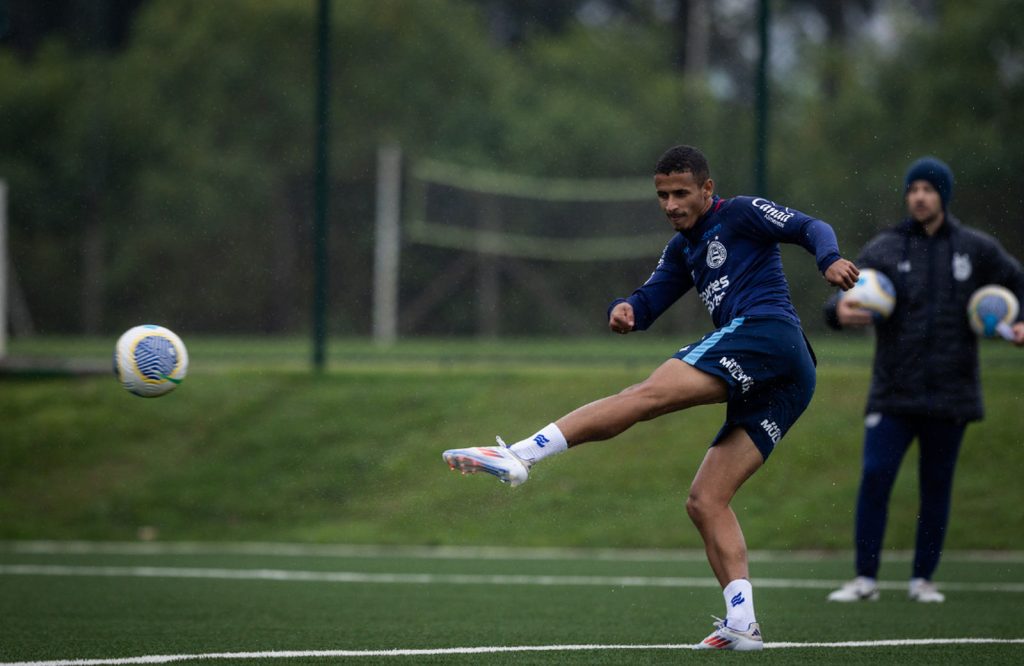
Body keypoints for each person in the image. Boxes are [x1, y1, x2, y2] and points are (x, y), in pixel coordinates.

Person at [442, 145, 859, 651]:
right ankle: (744, 624)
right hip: (791, 380)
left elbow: (809, 227)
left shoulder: (742, 212)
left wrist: (830, 258)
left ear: (708, 189)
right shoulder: (683, 250)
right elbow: (649, 299)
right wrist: (626, 309)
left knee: (645, 395)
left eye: (682, 193)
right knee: (706, 500)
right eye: (662, 195)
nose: (671, 204)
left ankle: (521, 455)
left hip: (768, 334)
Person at [824, 157, 1024, 604]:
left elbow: (1018, 283)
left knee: (936, 486)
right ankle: (865, 579)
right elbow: (839, 296)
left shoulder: (975, 248)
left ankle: (923, 580)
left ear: (943, 196)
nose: (919, 196)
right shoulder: (885, 248)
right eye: (913, 189)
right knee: (875, 477)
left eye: (928, 189)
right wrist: (836, 312)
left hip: (952, 391)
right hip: (893, 391)